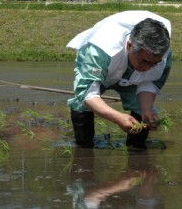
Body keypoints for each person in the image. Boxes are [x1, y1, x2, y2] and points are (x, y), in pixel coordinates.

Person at [66, 10, 172, 151]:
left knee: (141, 109)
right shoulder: (100, 49)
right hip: (103, 66)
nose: (148, 67)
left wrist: (146, 109)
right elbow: (87, 93)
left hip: (130, 71)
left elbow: (150, 82)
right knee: (82, 103)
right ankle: (83, 147)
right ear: (129, 46)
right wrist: (117, 117)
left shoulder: (163, 55)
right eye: (144, 61)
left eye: (154, 63)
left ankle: (136, 150)